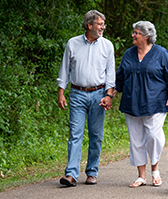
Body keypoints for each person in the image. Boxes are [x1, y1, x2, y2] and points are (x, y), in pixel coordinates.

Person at [112, 21, 168, 188]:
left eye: (136, 33)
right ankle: (141, 176)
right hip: (131, 103)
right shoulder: (129, 54)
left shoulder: (161, 53)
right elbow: (119, 79)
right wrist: (110, 95)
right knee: (136, 140)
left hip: (156, 103)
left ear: (146, 36)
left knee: (154, 136)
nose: (133, 35)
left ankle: (155, 170)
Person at [56, 10, 115, 187]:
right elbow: (64, 69)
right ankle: (71, 174)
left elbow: (110, 74)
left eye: (103, 24)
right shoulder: (72, 43)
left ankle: (91, 173)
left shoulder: (107, 46)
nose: (103, 27)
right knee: (75, 134)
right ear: (89, 25)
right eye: (100, 24)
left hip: (99, 95)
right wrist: (61, 91)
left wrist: (109, 95)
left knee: (96, 135)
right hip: (77, 94)